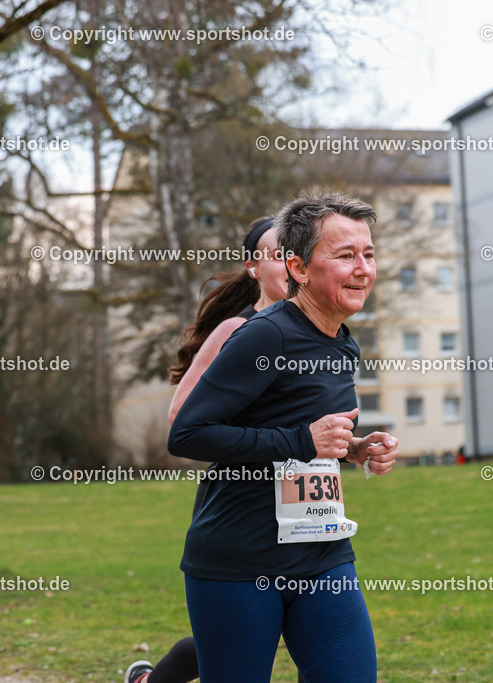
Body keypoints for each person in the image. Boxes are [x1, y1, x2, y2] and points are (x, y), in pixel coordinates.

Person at [167, 191, 399, 682]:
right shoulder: (264, 335)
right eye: (345, 256)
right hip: (240, 561)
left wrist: (354, 449)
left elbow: (306, 432)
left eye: (369, 254)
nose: (363, 269)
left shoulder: (342, 342)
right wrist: (301, 441)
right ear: (297, 267)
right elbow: (188, 433)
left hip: (321, 552)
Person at [125, 216, 290, 683]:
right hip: (240, 502)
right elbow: (181, 420)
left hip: (307, 504)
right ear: (254, 267)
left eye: (294, 254)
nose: (288, 264)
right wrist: (266, 440)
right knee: (244, 631)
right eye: (275, 254)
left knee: (290, 625)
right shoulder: (235, 330)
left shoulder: (320, 332)